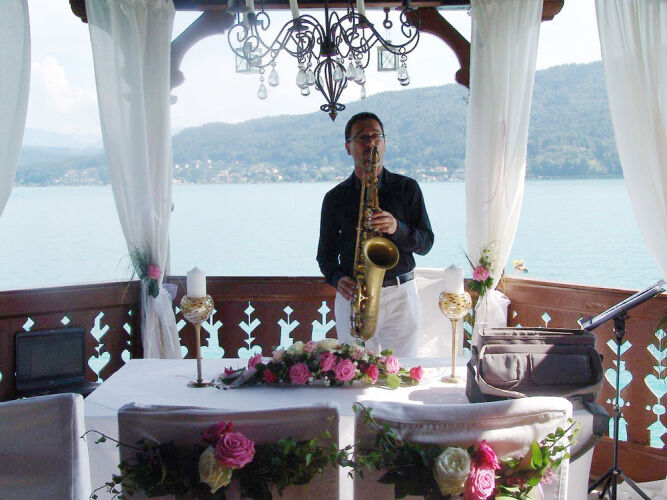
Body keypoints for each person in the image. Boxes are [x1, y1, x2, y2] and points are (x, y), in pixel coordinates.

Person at [317, 112, 434, 357]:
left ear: (384, 143)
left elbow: (426, 242)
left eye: (376, 136)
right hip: (354, 297)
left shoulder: (407, 188)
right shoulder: (335, 198)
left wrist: (397, 228)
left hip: (400, 295)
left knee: (403, 371)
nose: (370, 143)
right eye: (362, 138)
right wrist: (338, 278)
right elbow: (325, 256)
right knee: (353, 371)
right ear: (348, 147)